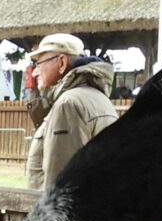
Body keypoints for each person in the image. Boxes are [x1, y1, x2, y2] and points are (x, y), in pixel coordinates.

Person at [22, 30, 119, 189]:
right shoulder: (98, 98)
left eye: (39, 63)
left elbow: (60, 187)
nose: (35, 71)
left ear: (61, 62)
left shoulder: (69, 103)